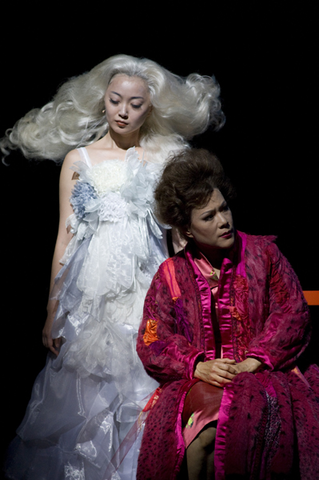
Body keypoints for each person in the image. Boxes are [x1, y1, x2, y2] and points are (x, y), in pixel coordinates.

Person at [2, 56, 225, 480]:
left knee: (145, 392)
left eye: (135, 103)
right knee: (85, 401)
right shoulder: (78, 160)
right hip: (90, 297)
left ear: (150, 108)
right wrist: (52, 309)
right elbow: (64, 238)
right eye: (115, 100)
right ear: (102, 100)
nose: (123, 111)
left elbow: (179, 234)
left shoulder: (163, 158)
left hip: (148, 291)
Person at [136, 148, 319, 480]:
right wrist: (199, 365)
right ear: (188, 230)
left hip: (263, 373)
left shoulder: (264, 255)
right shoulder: (171, 274)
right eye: (208, 217)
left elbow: (293, 311)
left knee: (239, 429)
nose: (224, 220)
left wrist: (253, 361)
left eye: (224, 209)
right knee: (201, 438)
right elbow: (152, 339)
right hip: (203, 380)